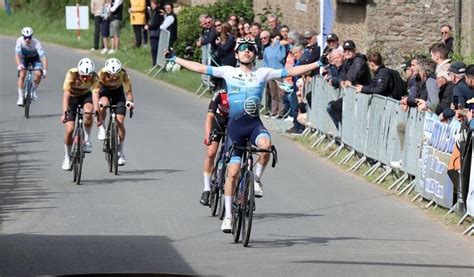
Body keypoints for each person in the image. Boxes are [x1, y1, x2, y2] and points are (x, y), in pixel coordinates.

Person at [164, 38, 323, 233]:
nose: (246, 51)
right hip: (235, 128)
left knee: (266, 147)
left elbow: (291, 71)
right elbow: (200, 68)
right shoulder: (228, 72)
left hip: (254, 124)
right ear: (237, 54)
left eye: (250, 49)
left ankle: (256, 180)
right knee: (232, 173)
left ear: (255, 54)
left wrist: (318, 63)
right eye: (243, 49)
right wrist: (174, 58)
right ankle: (229, 217)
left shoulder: (263, 72)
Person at [61, 58, 100, 170]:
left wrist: (96, 111)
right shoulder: (71, 73)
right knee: (69, 130)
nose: (85, 78)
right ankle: (67, 157)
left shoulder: (95, 77)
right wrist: (64, 112)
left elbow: (95, 94)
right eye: (82, 76)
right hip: (72, 97)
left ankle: (87, 140)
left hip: (85, 96)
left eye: (87, 76)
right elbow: (66, 94)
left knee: (89, 111)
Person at [97, 58, 135, 166]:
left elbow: (129, 92)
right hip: (105, 91)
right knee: (103, 103)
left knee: (120, 121)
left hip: (118, 93)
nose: (113, 77)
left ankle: (121, 153)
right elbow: (96, 90)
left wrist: (130, 102)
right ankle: (102, 127)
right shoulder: (101, 74)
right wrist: (98, 105)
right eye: (111, 74)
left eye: (116, 74)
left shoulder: (124, 74)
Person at [200, 88, 229, 206]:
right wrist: (207, 137)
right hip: (218, 121)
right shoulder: (220, 93)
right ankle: (206, 189)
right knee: (211, 152)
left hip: (233, 123)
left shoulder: (241, 94)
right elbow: (209, 117)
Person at [15, 27, 48, 106]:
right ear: (23, 37)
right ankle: (20, 97)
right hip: (24, 59)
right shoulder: (19, 41)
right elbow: (17, 55)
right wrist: (19, 65)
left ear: (31, 37)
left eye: (29, 37)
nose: (27, 39)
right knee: (22, 74)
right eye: (25, 37)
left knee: (38, 74)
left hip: (34, 59)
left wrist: (45, 69)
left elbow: (43, 57)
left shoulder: (36, 43)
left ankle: (33, 91)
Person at [145, 0, 164, 66]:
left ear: (157, 4)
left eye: (154, 4)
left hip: (155, 34)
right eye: (152, 4)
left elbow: (156, 24)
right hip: (153, 34)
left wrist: (148, 27)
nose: (153, 5)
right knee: (154, 50)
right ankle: (155, 64)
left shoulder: (157, 12)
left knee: (155, 50)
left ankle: (155, 64)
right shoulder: (154, 12)